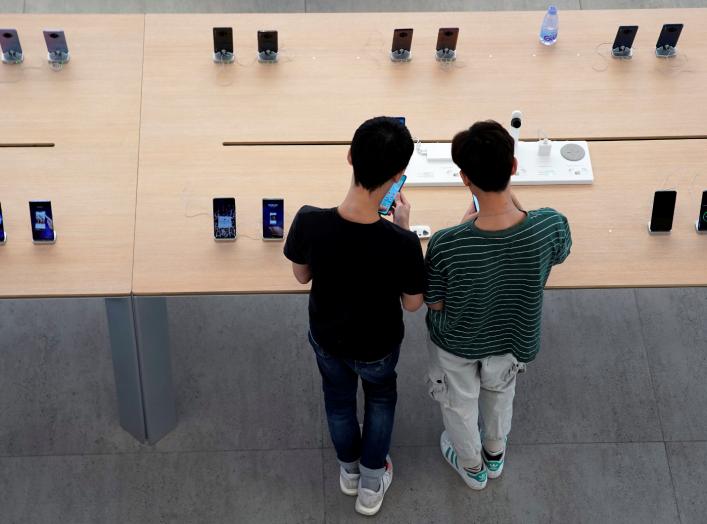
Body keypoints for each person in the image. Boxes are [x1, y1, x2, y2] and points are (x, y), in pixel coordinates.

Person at [284, 116, 425, 516]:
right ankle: (370, 481)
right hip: (377, 345)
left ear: (349, 156)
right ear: (399, 177)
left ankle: (348, 472)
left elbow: (301, 276)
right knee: (380, 399)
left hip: (327, 337)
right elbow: (413, 304)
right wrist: (403, 228)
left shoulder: (310, 220)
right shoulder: (401, 243)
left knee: (338, 399)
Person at [424, 120, 572, 490]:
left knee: (459, 405)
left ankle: (472, 467)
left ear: (464, 179)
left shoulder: (447, 243)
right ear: (514, 168)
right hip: (510, 341)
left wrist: (463, 229)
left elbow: (436, 302)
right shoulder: (549, 226)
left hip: (457, 344)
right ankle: (494, 452)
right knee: (500, 394)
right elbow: (559, 251)